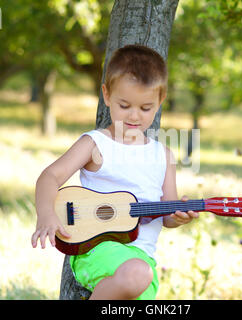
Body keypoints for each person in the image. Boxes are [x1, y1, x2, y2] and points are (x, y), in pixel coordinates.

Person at [31, 44, 199, 300]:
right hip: (96, 250)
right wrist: (45, 214)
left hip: (143, 259)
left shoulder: (163, 156)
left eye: (145, 108)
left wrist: (179, 216)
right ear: (107, 95)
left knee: (141, 276)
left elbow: (166, 216)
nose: (134, 116)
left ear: (160, 101)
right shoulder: (96, 144)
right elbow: (49, 177)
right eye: (124, 105)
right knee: (137, 274)